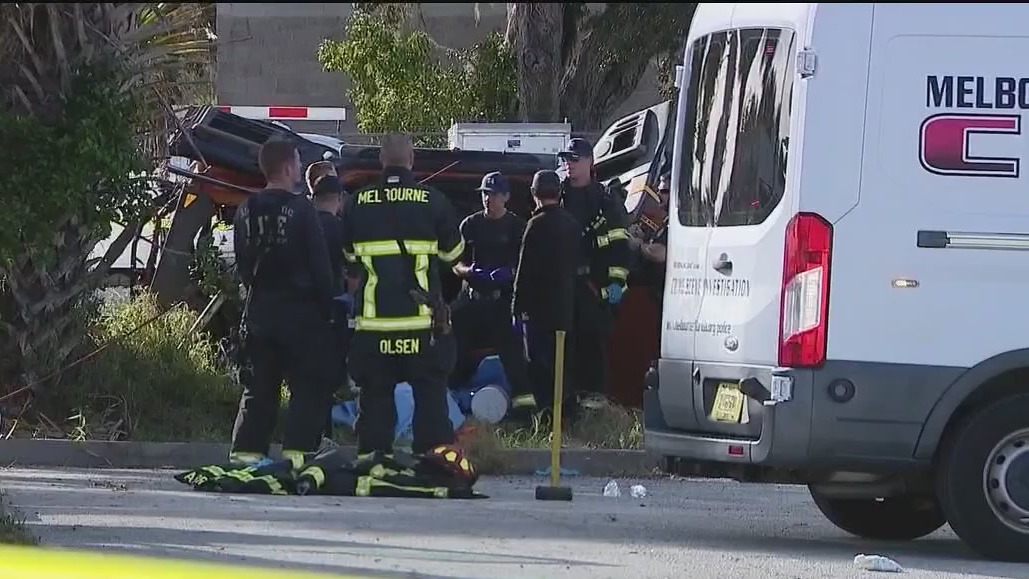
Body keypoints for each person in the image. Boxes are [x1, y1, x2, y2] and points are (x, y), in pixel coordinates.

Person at [340, 133, 466, 457]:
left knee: (375, 398)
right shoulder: (434, 201)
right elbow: (454, 257)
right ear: (412, 159)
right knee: (431, 395)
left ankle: (374, 461)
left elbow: (349, 261)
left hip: (374, 326)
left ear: (382, 161)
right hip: (422, 326)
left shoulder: (356, 203)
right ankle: (432, 461)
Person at [230, 138, 337, 469]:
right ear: (289, 167)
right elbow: (321, 268)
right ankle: (298, 456)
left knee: (258, 391)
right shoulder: (303, 211)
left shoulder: (245, 210)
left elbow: (244, 266)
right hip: (300, 317)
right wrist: (327, 310)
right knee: (308, 388)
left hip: (259, 313)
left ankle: (246, 457)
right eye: (298, 164)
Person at [450, 171, 534, 411]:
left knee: (515, 358)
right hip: (471, 301)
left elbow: (526, 266)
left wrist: (510, 273)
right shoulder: (470, 225)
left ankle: (524, 410)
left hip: (502, 303)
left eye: (494, 194)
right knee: (456, 352)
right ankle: (453, 405)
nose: (488, 199)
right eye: (485, 194)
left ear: (506, 196)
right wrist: (469, 272)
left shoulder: (517, 227)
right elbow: (455, 263)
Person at [558, 138, 632, 399]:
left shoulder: (605, 201)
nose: (569, 165)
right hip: (562, 286)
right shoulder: (557, 195)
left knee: (592, 345)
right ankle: (564, 405)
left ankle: (594, 405)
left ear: (591, 162)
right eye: (566, 160)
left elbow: (620, 247)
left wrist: (615, 283)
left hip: (593, 286)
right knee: (562, 347)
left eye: (574, 160)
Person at [512, 170, 580, 413]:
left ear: (534, 194)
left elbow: (525, 270)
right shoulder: (571, 224)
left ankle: (545, 415)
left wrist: (516, 309)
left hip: (538, 313)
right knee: (563, 366)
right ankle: (566, 414)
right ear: (559, 193)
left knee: (539, 366)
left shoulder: (535, 225)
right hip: (565, 310)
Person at [311, 174, 352, 443]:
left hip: (300, 311)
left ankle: (307, 433)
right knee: (325, 378)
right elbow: (354, 274)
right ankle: (323, 435)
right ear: (338, 200)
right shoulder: (340, 229)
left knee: (305, 380)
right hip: (332, 311)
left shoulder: (300, 224)